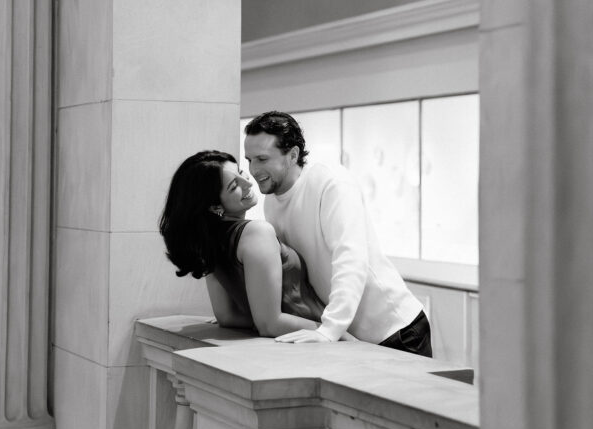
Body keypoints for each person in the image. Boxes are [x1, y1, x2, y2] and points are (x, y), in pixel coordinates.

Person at [243, 111, 432, 355]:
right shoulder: (271, 203)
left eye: (262, 159)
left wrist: (329, 330)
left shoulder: (330, 182)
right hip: (349, 336)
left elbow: (350, 259)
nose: (254, 169)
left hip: (396, 331)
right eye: (249, 160)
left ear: (292, 155)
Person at [159, 150, 329, 338]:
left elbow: (227, 316)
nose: (248, 182)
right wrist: (337, 333)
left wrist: (259, 318)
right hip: (315, 338)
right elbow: (270, 325)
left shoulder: (210, 241)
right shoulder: (256, 233)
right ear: (215, 206)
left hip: (300, 340)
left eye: (240, 172)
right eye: (234, 186)